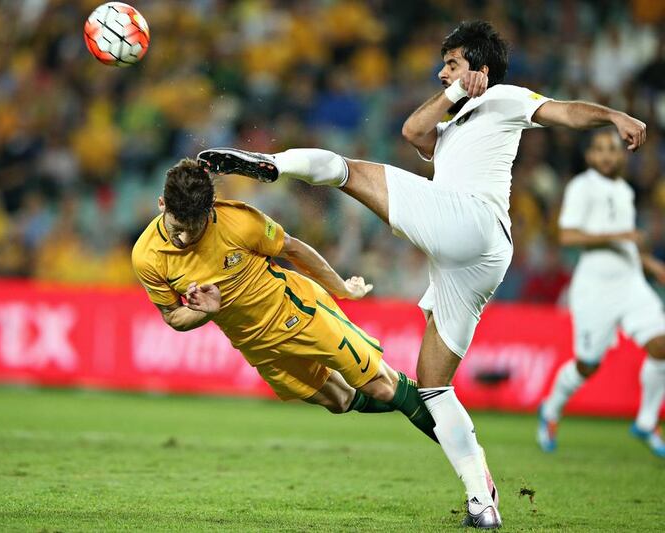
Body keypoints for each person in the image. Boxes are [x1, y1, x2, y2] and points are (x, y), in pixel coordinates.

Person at [197, 20, 647, 529]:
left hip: (472, 222)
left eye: (451, 64)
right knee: (433, 385)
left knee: (347, 171)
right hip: (474, 260)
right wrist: (457, 90)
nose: (440, 73)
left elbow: (565, 112)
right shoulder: (453, 120)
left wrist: (613, 115)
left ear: (479, 68)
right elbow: (413, 132)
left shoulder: (505, 98)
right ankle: (483, 502)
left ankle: (268, 163)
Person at [131, 158, 440, 445]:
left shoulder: (238, 222)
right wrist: (208, 312)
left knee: (380, 385)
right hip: (256, 345)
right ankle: (425, 407)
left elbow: (294, 249)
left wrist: (341, 288)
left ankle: (464, 451)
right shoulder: (147, 257)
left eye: (192, 228)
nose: (183, 238)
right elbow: (173, 317)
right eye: (177, 227)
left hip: (297, 311)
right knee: (341, 401)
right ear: (162, 205)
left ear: (209, 210)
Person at [537, 130, 665, 457]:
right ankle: (551, 409)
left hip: (630, 281)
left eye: (613, 149)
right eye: (600, 149)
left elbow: (627, 243)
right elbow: (567, 236)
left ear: (622, 155)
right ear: (590, 156)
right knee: (588, 365)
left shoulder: (624, 191)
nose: (607, 155)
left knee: (661, 345)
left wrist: (651, 265)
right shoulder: (582, 187)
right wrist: (618, 235)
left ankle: (647, 421)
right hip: (595, 286)